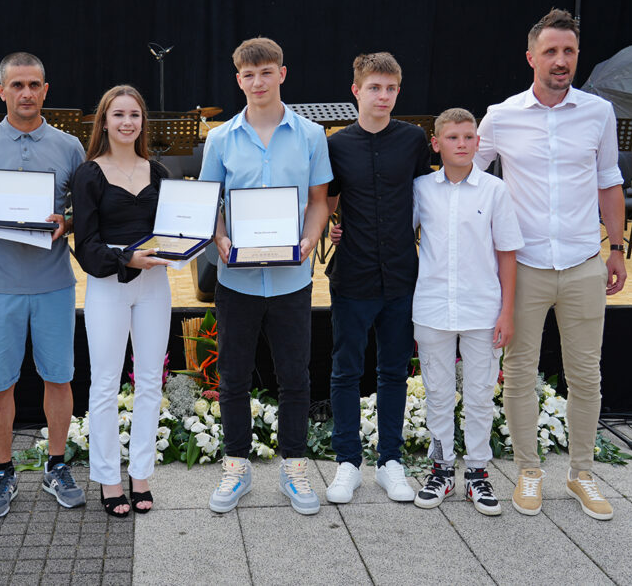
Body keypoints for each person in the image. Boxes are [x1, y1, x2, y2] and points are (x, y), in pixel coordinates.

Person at [474, 8, 627, 521]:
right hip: (526, 267)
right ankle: (528, 471)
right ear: (531, 57)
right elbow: (468, 177)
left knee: (586, 376)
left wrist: (618, 248)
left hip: (584, 263)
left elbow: (609, 182)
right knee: (520, 374)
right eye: (551, 52)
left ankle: (582, 474)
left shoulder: (599, 114)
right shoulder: (500, 115)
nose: (561, 61)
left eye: (569, 52)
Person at [199, 37, 332, 516]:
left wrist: (310, 240)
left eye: (266, 72)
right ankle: (237, 465)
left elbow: (319, 201)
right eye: (248, 75)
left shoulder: (312, 136)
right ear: (239, 80)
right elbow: (207, 204)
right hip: (235, 281)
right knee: (233, 376)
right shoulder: (219, 139)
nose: (258, 82)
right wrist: (219, 239)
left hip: (292, 279)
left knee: (294, 377)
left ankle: (294, 467)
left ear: (282, 73)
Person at [0, 52, 87, 517]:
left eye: (34, 84)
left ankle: (55, 463)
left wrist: (65, 222)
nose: (26, 93)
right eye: (17, 85)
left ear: (46, 90)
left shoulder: (70, 145)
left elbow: (83, 212)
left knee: (59, 378)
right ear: (1, 91)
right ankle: (4, 471)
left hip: (53, 282)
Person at [323, 53, 430, 505]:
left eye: (390, 89)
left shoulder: (413, 140)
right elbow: (324, 202)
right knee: (345, 371)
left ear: (398, 92)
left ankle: (391, 462)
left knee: (393, 372)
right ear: (356, 91)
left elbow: (426, 202)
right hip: (352, 274)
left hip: (403, 277)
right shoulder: (335, 144)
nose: (382, 96)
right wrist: (329, 225)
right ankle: (348, 462)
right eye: (374, 88)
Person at [411, 108, 524, 515]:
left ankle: (477, 471)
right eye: (453, 137)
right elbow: (394, 233)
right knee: (439, 392)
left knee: (479, 395)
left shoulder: (495, 190)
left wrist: (506, 312)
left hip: (482, 309)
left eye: (469, 137)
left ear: (479, 142)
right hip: (432, 306)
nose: (462, 144)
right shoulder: (421, 188)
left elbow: (507, 253)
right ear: (436, 144)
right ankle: (441, 468)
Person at [71, 85, 171, 517]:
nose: (127, 122)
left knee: (150, 381)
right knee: (106, 383)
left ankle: (141, 474)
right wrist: (128, 257)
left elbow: (174, 231)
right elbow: (86, 247)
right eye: (119, 115)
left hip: (155, 286)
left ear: (142, 121)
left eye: (134, 114)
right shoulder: (89, 174)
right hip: (109, 285)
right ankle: (110, 478)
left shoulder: (161, 172)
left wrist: (182, 246)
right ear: (105, 122)